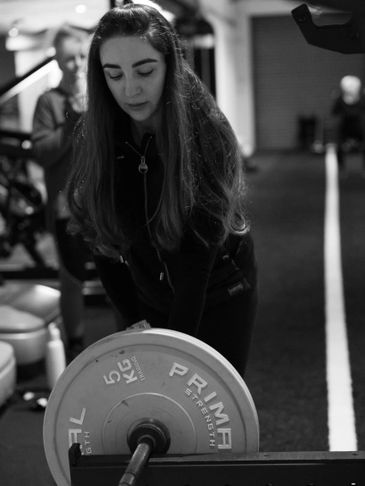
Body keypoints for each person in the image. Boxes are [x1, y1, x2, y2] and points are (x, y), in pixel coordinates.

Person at [66, 3, 257, 377]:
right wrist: (134, 323)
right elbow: (103, 240)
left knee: (210, 414)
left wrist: (172, 358)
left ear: (169, 66)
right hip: (147, 291)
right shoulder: (104, 137)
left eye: (145, 70)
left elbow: (193, 268)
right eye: (114, 74)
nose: (130, 88)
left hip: (219, 290)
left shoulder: (204, 136)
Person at [32, 25, 91, 360]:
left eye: (81, 56)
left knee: (120, 276)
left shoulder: (99, 98)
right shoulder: (47, 102)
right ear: (57, 59)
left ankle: (129, 341)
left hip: (100, 205)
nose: (77, 64)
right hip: (66, 207)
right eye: (69, 58)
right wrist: (69, 124)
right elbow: (43, 153)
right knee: (71, 279)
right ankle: (76, 344)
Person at [331, 75, 365, 173]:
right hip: (345, 127)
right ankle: (341, 168)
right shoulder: (340, 100)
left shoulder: (362, 99)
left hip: (358, 127)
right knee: (338, 145)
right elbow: (334, 112)